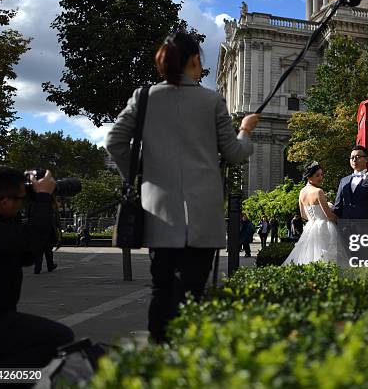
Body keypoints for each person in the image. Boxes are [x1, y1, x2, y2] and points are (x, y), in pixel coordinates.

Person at [105, 30, 260, 343]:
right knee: (192, 290)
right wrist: (245, 130)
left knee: (161, 286)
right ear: (194, 61)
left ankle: (158, 348)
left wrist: (142, 175)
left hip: (159, 210)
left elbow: (115, 141)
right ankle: (183, 354)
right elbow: (234, 154)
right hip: (202, 213)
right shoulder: (211, 100)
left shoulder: (145, 96)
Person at [0, 166, 74, 367]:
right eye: (20, 200)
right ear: (4, 201)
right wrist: (44, 198)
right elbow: (29, 249)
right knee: (60, 338)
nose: (22, 205)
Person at [283, 162, 346, 265]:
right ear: (308, 177)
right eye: (317, 175)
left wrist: (314, 219)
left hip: (310, 227)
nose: (321, 178)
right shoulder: (318, 191)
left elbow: (303, 215)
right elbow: (329, 216)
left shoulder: (302, 192)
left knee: (309, 258)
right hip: (325, 227)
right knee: (328, 258)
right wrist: (340, 220)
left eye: (321, 175)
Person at [333, 145, 368, 220]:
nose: (354, 160)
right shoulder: (344, 180)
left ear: (366, 159)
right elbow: (338, 206)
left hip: (367, 226)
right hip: (345, 226)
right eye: (352, 157)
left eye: (358, 157)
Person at [33, 195, 60, 274]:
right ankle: (50, 266)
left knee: (39, 251)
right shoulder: (52, 207)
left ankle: (37, 268)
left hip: (39, 231)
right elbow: (56, 220)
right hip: (48, 231)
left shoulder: (36, 205)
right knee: (48, 250)